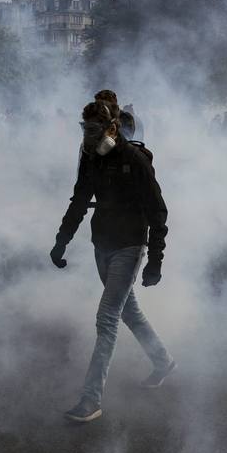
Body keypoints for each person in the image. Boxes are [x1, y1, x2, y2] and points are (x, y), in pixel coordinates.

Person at [51, 99, 175, 423]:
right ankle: (162, 361)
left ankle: (90, 400)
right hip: (102, 245)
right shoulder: (92, 160)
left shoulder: (134, 159)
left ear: (112, 128)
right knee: (128, 311)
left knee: (107, 317)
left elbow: (158, 211)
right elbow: (79, 201)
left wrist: (155, 260)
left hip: (130, 248)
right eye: (85, 130)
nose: (89, 138)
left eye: (94, 131)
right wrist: (61, 241)